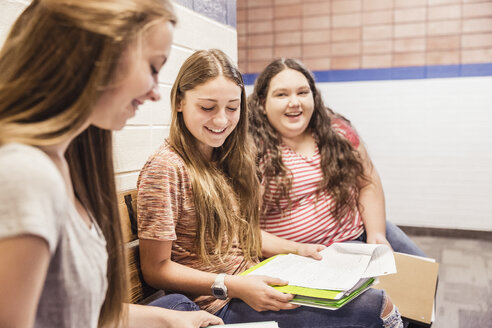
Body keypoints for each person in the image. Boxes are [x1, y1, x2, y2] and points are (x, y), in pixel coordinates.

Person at [137, 48, 403, 328]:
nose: (221, 120)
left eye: (232, 107)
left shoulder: (224, 157)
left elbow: (240, 233)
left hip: (254, 279)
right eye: (207, 108)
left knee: (359, 290)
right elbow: (156, 269)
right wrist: (236, 286)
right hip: (219, 303)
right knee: (377, 305)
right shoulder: (166, 168)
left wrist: (298, 249)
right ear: (179, 102)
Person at [0, 1, 223, 327]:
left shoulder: (61, 164)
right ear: (97, 55)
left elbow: (75, 314)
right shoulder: (27, 174)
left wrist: (168, 320)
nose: (154, 93)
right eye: (152, 67)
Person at [247, 58, 425, 258]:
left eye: (303, 92)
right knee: (378, 292)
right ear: (262, 103)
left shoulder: (337, 131)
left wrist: (376, 234)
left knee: (423, 277)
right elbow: (244, 230)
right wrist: (297, 249)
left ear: (313, 96)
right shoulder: (255, 152)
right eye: (281, 94)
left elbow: (368, 182)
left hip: (360, 232)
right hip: (306, 256)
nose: (295, 102)